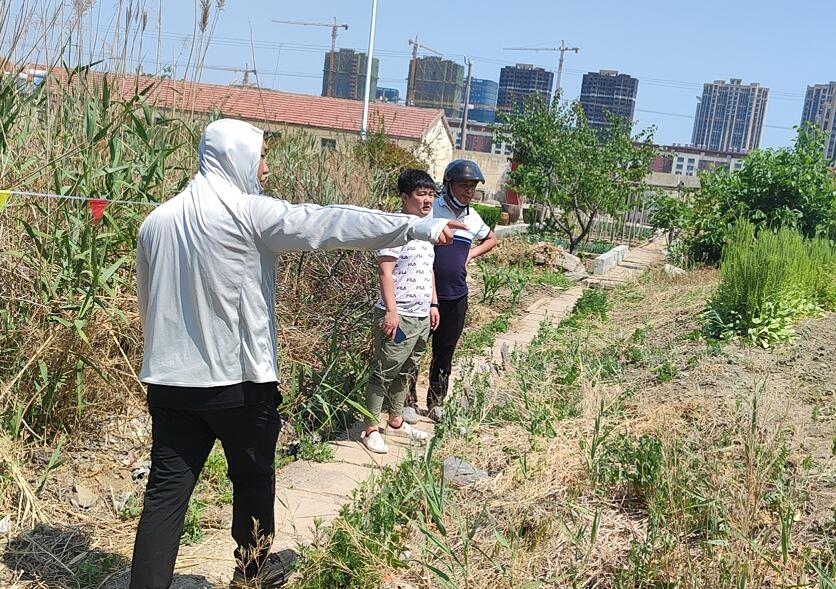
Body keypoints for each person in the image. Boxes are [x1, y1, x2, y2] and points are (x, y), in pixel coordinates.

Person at [131, 118, 464, 589]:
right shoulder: (248, 213)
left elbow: (148, 303)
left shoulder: (157, 221)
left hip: (169, 384)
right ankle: (252, 573)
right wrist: (415, 226)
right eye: (261, 157)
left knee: (165, 494)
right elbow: (329, 222)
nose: (265, 169)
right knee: (253, 479)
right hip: (239, 384)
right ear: (237, 158)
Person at [361, 169, 440, 453]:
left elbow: (429, 270)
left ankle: (395, 420)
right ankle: (370, 427)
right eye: (421, 194)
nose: (427, 200)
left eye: (431, 194)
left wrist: (433, 304)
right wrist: (391, 312)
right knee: (384, 370)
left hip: (421, 315)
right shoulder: (395, 229)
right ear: (405, 197)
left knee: (407, 369)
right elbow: (385, 272)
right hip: (399, 316)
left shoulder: (427, 230)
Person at [422, 159, 498, 420]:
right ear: (449, 184)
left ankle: (436, 403)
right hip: (424, 293)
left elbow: (492, 239)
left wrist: (470, 254)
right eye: (464, 185)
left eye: (473, 186)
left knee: (445, 352)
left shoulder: (472, 217)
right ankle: (406, 400)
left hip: (456, 295)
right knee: (415, 349)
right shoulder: (433, 209)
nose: (469, 191)